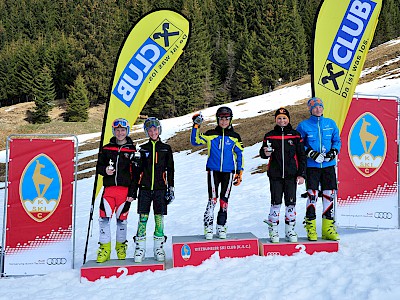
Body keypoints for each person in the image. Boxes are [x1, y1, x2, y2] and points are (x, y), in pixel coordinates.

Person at [191, 107, 244, 240]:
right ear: (217, 119)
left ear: (230, 119)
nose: (224, 121)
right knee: (212, 199)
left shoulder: (235, 136)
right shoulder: (211, 134)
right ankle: (208, 226)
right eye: (221, 119)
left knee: (224, 200)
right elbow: (195, 141)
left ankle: (221, 225)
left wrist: (240, 171)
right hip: (213, 170)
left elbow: (239, 154)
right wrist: (196, 125)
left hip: (229, 172)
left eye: (226, 119)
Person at [296, 97, 341, 241]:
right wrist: (310, 153)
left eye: (320, 106)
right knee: (312, 195)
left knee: (329, 195)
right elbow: (299, 144)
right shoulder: (303, 125)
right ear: (310, 109)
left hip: (328, 166)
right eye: (315, 107)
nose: (318, 109)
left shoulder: (330, 123)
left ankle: (328, 228)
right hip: (312, 167)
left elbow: (337, 140)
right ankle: (311, 227)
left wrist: (334, 151)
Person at [259, 107, 306, 243]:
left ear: (288, 119)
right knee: (276, 202)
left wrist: (302, 174)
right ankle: (273, 230)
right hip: (275, 175)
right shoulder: (270, 135)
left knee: (290, 203)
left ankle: (290, 230)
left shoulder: (296, 135)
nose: (282, 120)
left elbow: (301, 156)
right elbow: (263, 153)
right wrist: (265, 153)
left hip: (292, 175)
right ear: (275, 120)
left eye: (284, 118)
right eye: (279, 118)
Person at [95, 118, 138, 263]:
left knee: (122, 221)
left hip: (124, 192)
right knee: (104, 220)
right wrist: (105, 170)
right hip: (108, 191)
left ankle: (121, 248)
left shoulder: (132, 150)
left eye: (123, 130)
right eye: (117, 130)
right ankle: (104, 249)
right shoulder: (107, 148)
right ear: (114, 131)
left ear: (127, 131)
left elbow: (136, 174)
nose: (120, 133)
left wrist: (133, 193)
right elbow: (98, 167)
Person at [132, 117, 175, 263]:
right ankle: (140, 248)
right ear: (146, 132)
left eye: (155, 129)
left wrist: (171, 187)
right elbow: (137, 171)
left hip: (160, 189)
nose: (152, 132)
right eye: (149, 130)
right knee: (142, 218)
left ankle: (159, 247)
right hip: (144, 189)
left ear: (159, 130)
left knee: (159, 218)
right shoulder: (143, 148)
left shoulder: (166, 148)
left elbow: (171, 169)